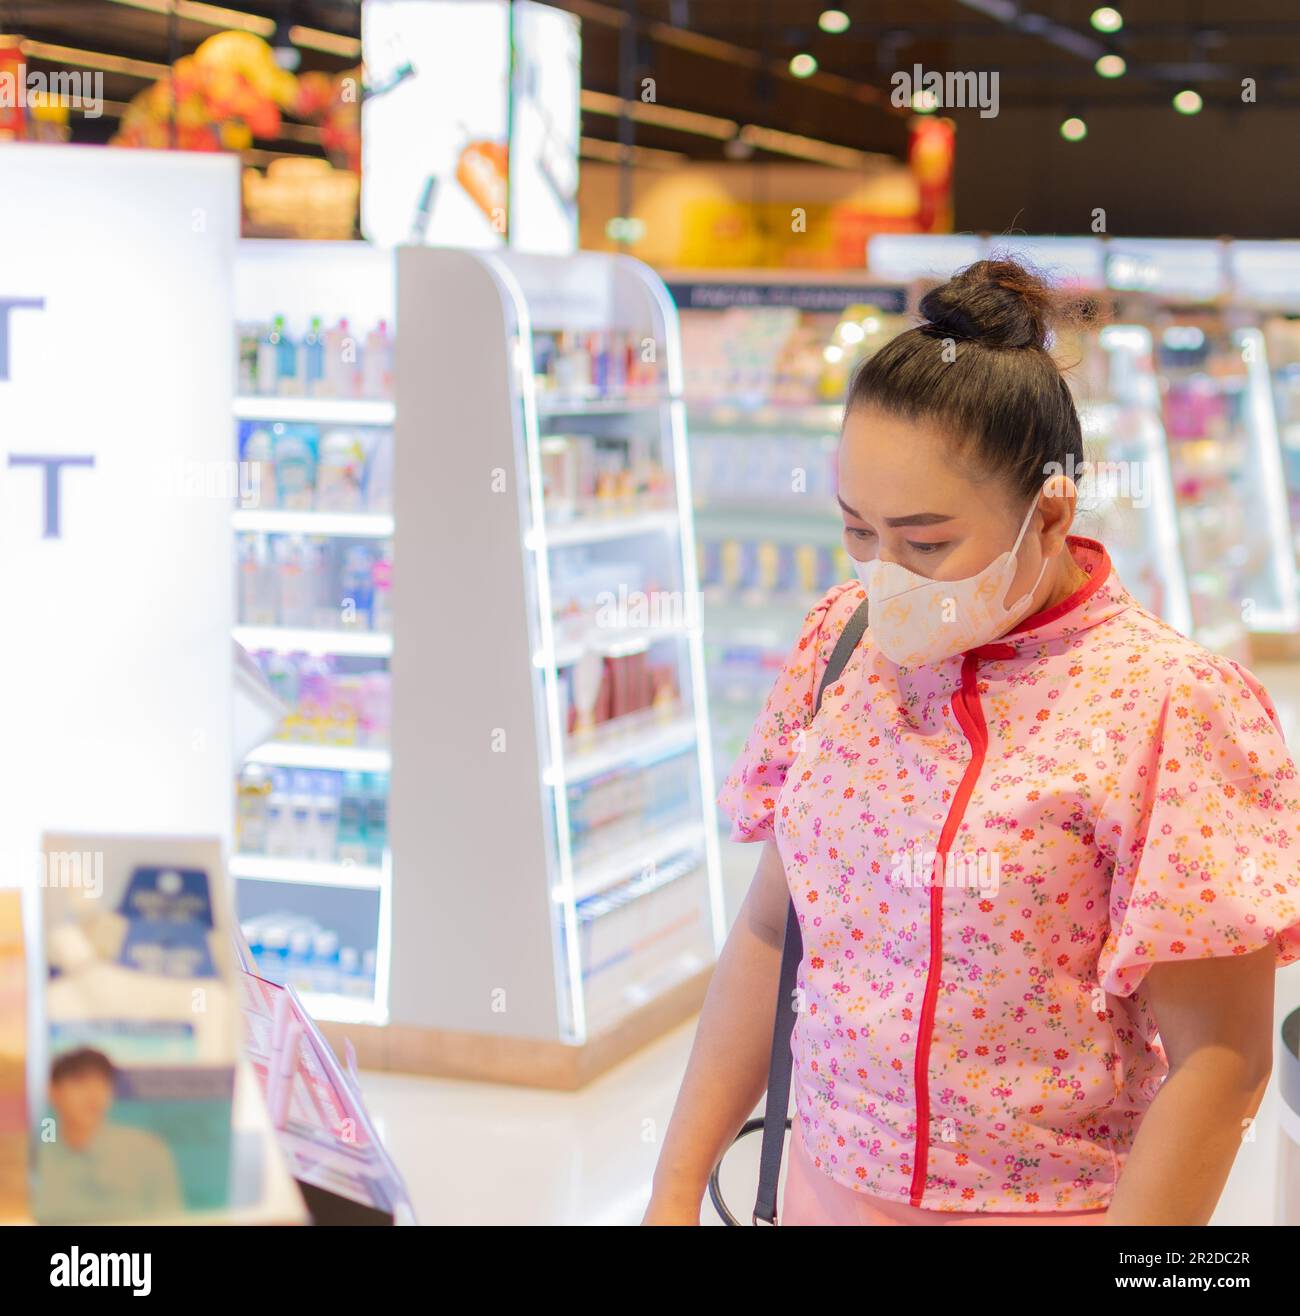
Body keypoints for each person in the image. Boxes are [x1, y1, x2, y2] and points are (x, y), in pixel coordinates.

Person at [645, 258, 1300, 1226]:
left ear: (1050, 508)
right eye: (856, 530)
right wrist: (671, 1189)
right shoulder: (839, 646)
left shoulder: (1167, 707)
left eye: (924, 542)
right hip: (817, 1186)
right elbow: (769, 929)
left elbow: (1220, 1059)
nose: (884, 573)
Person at [34, 1047, 183, 1223]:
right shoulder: (37, 1157)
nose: (94, 1095)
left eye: (103, 1083)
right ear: (53, 1092)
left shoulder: (147, 1151)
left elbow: (172, 1219)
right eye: (80, 1082)